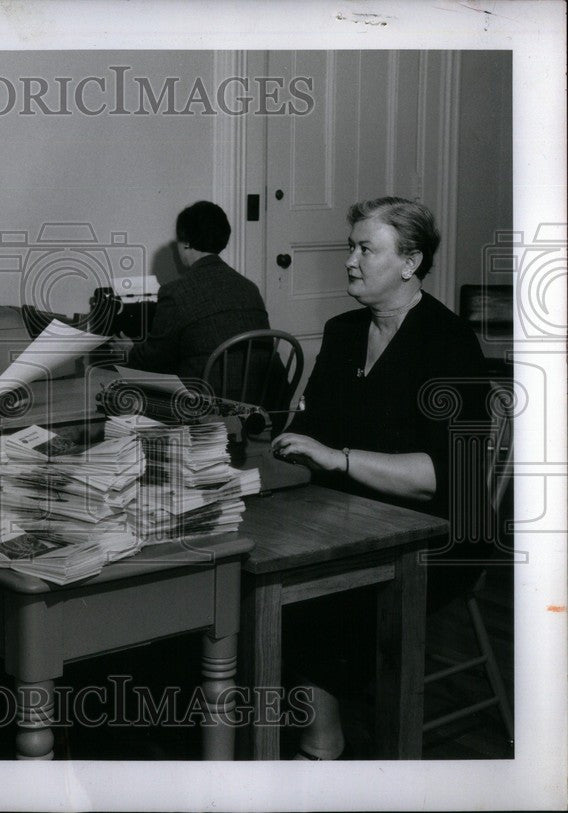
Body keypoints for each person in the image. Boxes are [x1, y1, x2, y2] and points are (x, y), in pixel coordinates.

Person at [271, 197, 490, 759]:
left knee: (309, 589)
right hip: (353, 513)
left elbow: (444, 477)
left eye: (366, 249)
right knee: (267, 566)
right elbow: (310, 428)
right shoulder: (343, 331)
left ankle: (323, 740)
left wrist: (338, 458)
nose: (349, 260)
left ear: (410, 262)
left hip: (440, 531)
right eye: (352, 246)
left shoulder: (450, 344)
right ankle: (315, 720)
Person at [116, 201, 272, 400]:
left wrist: (130, 351)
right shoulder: (250, 288)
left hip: (205, 402)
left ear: (187, 242)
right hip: (258, 398)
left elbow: (153, 360)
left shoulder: (176, 292)